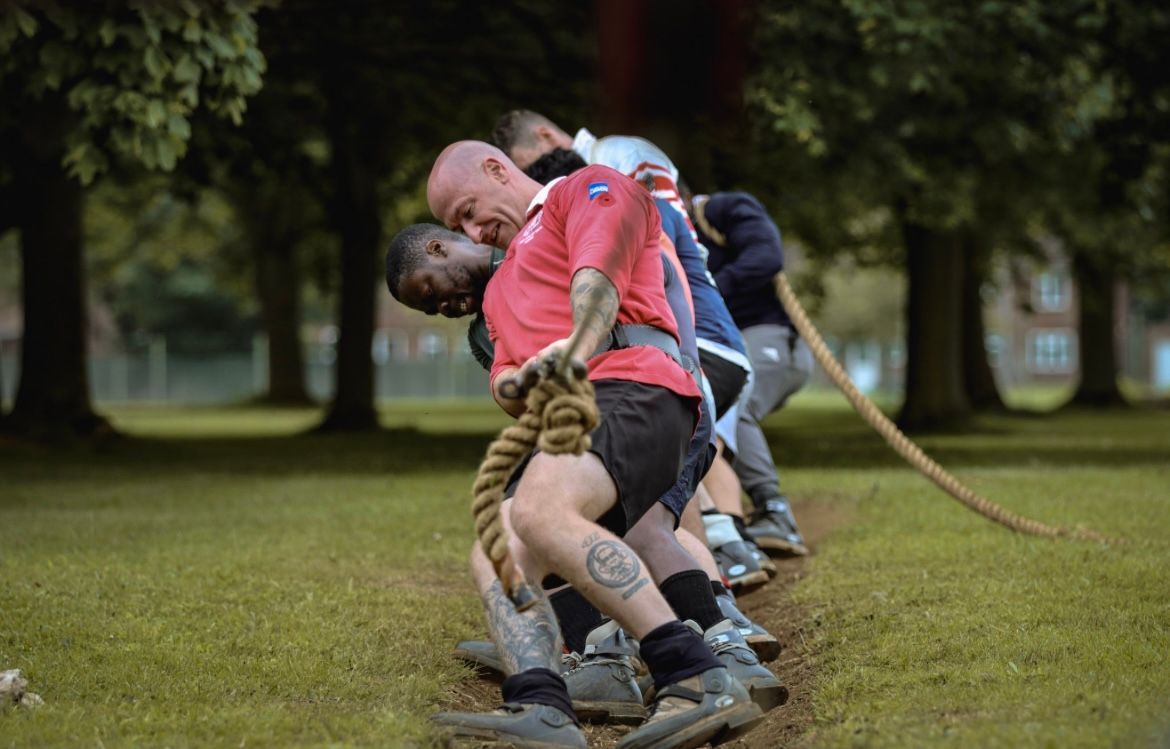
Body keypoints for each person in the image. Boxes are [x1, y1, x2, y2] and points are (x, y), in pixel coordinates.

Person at [386, 141, 766, 749]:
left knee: (541, 509)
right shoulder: (501, 288)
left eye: (468, 211)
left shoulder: (585, 189)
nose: (471, 228)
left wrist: (573, 348)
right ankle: (542, 705)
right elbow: (509, 384)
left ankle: (696, 673)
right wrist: (522, 380)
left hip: (639, 383)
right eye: (457, 224)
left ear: (496, 169)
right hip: (584, 409)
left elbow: (600, 275)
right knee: (497, 547)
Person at [494, 110, 775, 584]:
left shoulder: (605, 176)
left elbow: (665, 271)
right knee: (666, 480)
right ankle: (726, 568)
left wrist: (681, 362)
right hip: (693, 346)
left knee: (647, 496)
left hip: (687, 345)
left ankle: (711, 601)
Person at [689, 189, 812, 556]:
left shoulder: (723, 209)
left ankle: (775, 512)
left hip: (769, 338)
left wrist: (708, 290)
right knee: (708, 410)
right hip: (729, 346)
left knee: (731, 410)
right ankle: (729, 525)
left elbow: (766, 256)